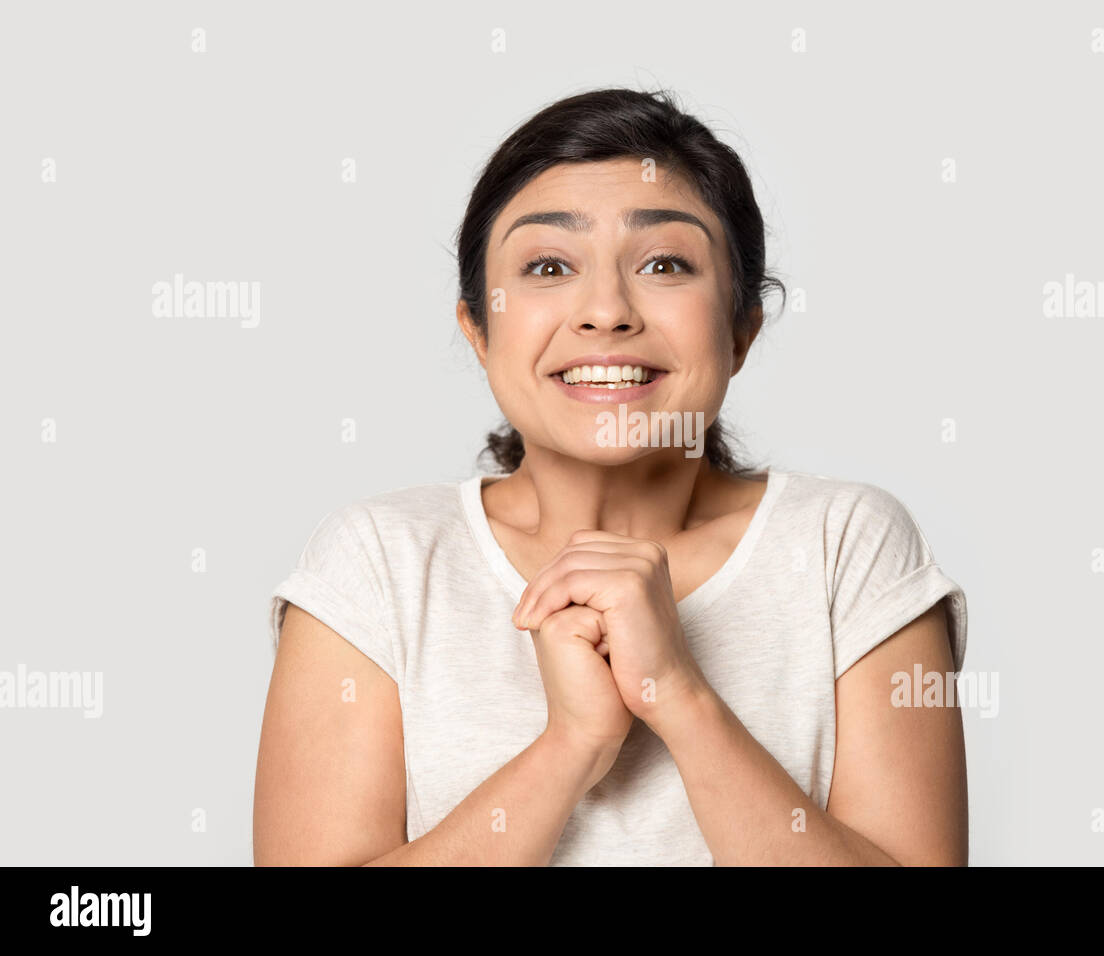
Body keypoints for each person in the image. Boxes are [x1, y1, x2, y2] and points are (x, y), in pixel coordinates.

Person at [253, 87, 969, 866]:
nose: (605, 310)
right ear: (479, 329)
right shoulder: (376, 564)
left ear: (740, 328)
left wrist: (678, 693)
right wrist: (571, 746)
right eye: (548, 265)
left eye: (664, 263)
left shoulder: (847, 547)